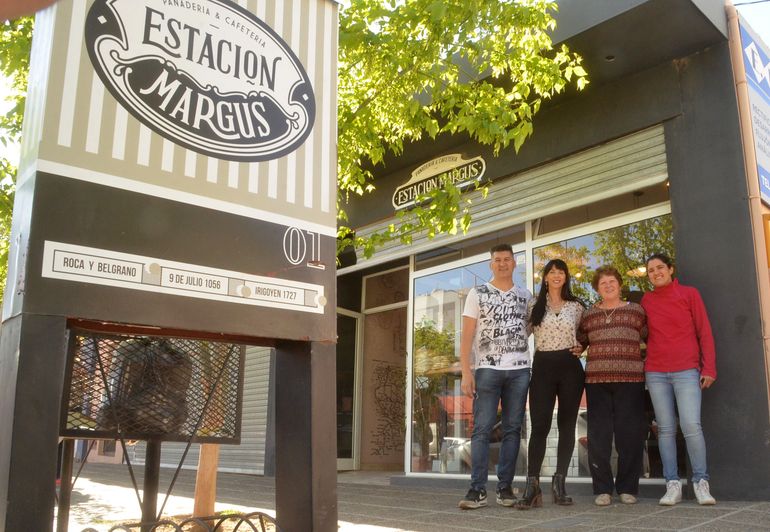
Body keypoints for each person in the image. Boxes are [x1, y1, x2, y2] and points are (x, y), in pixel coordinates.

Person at [458, 244, 532, 510]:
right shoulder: (477, 293)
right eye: (497, 260)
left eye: (507, 259)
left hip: (520, 370)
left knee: (512, 429)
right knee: (482, 429)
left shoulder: (526, 296)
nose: (502, 263)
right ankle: (477, 490)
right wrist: (466, 370)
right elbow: (467, 334)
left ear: (514, 263)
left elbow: (527, 330)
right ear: (491, 264)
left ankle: (505, 489)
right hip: (487, 369)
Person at [642, 253, 717, 506]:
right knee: (665, 429)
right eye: (651, 270)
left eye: (660, 267)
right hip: (656, 372)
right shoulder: (647, 300)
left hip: (686, 370)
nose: (656, 273)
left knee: (691, 426)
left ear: (670, 269)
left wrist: (709, 368)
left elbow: (704, 331)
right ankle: (672, 484)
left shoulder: (689, 294)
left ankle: (700, 482)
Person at [516, 259, 585, 510]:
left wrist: (583, 345)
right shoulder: (534, 304)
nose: (556, 275)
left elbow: (586, 334)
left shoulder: (577, 306)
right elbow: (520, 335)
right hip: (543, 367)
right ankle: (532, 486)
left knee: (567, 426)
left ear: (566, 277)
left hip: (570, 368)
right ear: (545, 277)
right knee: (540, 426)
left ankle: (559, 484)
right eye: (552, 272)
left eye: (561, 272)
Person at [578, 266, 647, 506]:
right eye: (603, 283)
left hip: (631, 380)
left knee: (630, 435)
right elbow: (580, 342)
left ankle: (627, 488)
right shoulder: (588, 315)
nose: (608, 286)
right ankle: (603, 489)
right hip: (597, 381)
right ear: (597, 289)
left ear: (619, 284)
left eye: (612, 282)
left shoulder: (636, 311)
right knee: (599, 437)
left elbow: (649, 338)